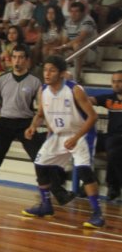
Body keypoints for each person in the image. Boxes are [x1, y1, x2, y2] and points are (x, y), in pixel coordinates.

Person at [0, 45, 73, 204]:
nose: (17, 60)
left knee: (40, 158)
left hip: (25, 124)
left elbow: (42, 109)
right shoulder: (2, 79)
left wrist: (39, 126)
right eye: (14, 57)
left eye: (21, 57)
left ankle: (59, 192)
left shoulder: (35, 82)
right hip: (5, 123)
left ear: (27, 60)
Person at [22, 56, 104, 228]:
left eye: (51, 70)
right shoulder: (43, 90)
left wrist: (75, 138)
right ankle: (46, 205)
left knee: (84, 171)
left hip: (80, 133)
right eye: (45, 70)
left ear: (60, 73)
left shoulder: (75, 90)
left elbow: (93, 117)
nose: (47, 73)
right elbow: (41, 114)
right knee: (40, 164)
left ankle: (97, 214)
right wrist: (33, 127)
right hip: (58, 135)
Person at [89, 71, 122, 201]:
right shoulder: (110, 99)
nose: (116, 84)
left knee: (112, 149)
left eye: (119, 81)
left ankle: (113, 185)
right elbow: (90, 100)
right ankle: (90, 180)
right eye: (114, 81)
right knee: (83, 143)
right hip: (111, 136)